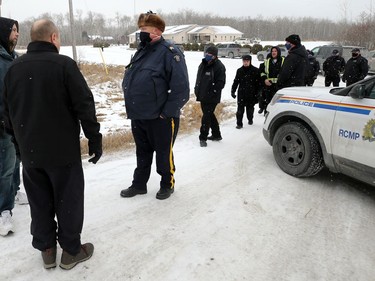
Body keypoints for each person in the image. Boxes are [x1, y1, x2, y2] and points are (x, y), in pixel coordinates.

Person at [3, 19, 102, 270]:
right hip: (62, 152)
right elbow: (84, 104)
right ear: (54, 37)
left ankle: (47, 249)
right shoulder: (64, 65)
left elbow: (6, 111)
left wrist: (17, 141)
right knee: (68, 199)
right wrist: (94, 137)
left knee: (40, 201)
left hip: (30, 152)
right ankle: (71, 251)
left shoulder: (15, 68)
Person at [120, 12, 189, 200]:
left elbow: (181, 89)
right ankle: (139, 185)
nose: (140, 32)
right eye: (140, 28)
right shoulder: (141, 51)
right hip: (139, 114)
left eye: (144, 29)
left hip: (161, 117)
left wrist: (166, 113)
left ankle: (167, 184)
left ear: (157, 31)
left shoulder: (170, 52)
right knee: (142, 153)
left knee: (163, 155)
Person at [0, 17, 19, 237]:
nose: (16, 34)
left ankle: (14, 193)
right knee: (5, 167)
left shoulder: (13, 57)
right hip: (2, 123)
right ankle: (4, 210)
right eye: (13, 30)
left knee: (16, 162)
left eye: (17, 30)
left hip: (16, 121)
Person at [194, 45, 226, 147]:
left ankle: (203, 137)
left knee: (206, 117)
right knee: (209, 114)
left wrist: (212, 92)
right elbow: (199, 78)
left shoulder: (219, 67)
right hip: (202, 95)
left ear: (215, 56)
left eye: (210, 54)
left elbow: (220, 84)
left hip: (212, 97)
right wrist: (197, 89)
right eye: (207, 53)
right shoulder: (203, 64)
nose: (208, 55)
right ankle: (216, 134)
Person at [231, 55, 261, 128]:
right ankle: (239, 124)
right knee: (240, 110)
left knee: (250, 109)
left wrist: (258, 93)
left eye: (247, 61)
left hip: (252, 93)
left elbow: (259, 83)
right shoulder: (239, 71)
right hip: (242, 92)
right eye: (244, 61)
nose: (245, 63)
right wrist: (233, 91)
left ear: (250, 61)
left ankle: (250, 119)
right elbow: (236, 81)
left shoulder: (255, 70)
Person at [258, 46, 284, 114]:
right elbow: (261, 72)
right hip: (269, 86)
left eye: (275, 51)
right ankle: (267, 116)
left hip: (279, 87)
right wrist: (265, 79)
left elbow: (286, 73)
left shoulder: (283, 61)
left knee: (278, 103)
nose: (273, 53)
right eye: (272, 51)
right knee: (268, 102)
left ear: (278, 52)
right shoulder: (267, 61)